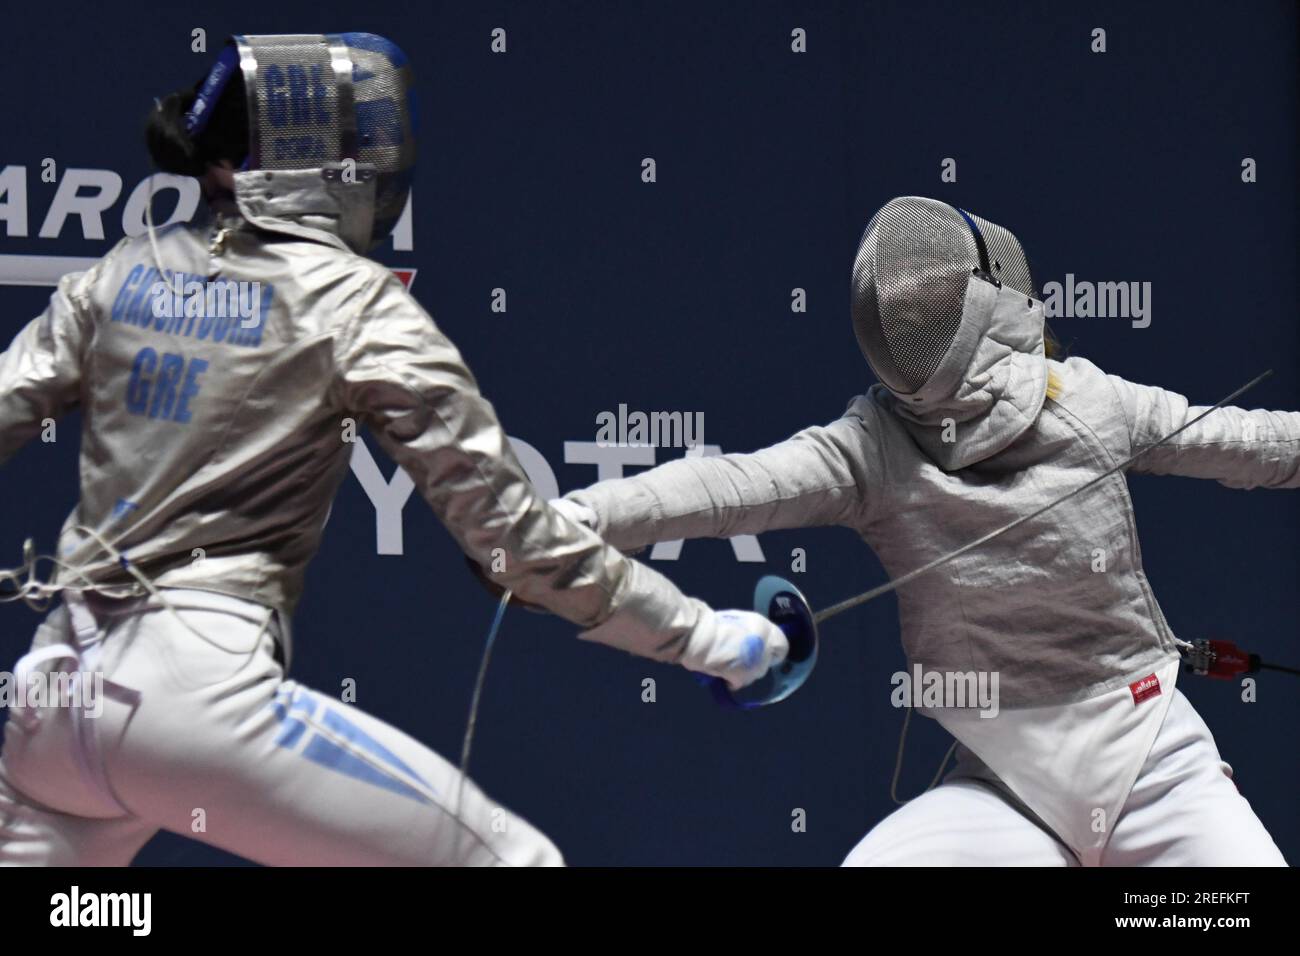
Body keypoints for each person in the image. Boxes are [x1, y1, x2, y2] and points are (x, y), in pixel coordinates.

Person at [0, 33, 787, 867]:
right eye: (351, 149)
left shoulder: (121, 271)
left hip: (50, 705)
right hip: (194, 699)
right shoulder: (351, 299)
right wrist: (702, 636)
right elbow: (512, 542)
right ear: (301, 164)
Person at [553, 196, 1296, 866]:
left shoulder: (1082, 408)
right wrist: (581, 519)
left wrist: (578, 518)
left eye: (922, 307)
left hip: (1150, 762)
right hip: (1011, 786)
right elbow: (732, 487)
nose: (906, 317)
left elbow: (1258, 445)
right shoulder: (877, 446)